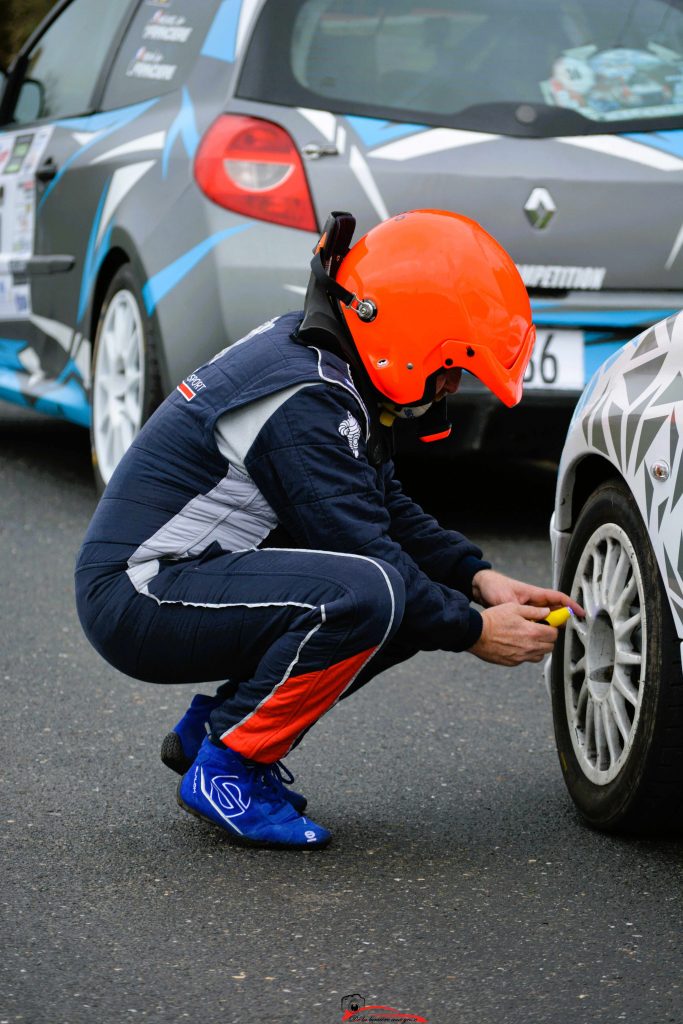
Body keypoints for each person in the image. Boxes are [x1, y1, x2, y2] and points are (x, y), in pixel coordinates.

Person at [75, 209, 582, 851]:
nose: (451, 384)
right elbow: (369, 550)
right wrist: (475, 630)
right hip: (139, 594)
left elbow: (383, 504)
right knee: (372, 593)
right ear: (409, 336)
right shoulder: (307, 398)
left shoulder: (325, 359)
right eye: (452, 365)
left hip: (170, 575)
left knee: (398, 594)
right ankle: (229, 769)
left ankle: (217, 733)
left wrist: (479, 579)